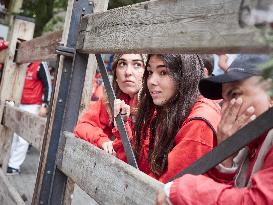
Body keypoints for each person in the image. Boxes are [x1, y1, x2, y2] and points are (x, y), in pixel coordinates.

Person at [155, 54, 273, 205]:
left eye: (235, 94)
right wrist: (225, 153)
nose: (224, 109)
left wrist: (183, 191)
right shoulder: (248, 145)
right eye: (225, 99)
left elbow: (260, 201)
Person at [113, 54, 221, 183]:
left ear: (184, 75)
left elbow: (164, 189)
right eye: (150, 72)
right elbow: (145, 167)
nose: (151, 81)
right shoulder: (171, 107)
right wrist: (123, 125)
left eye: (163, 72)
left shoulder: (199, 124)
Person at [74, 54, 146, 154]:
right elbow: (83, 126)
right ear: (116, 75)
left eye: (137, 64)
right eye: (122, 64)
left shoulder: (154, 105)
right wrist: (103, 141)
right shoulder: (113, 99)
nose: (128, 72)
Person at [7, 61, 52, 175]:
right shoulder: (19, 63)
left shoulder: (40, 64)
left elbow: (48, 85)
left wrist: (45, 105)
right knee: (15, 135)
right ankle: (10, 162)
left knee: (23, 139)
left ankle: (14, 166)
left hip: (33, 105)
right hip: (18, 103)